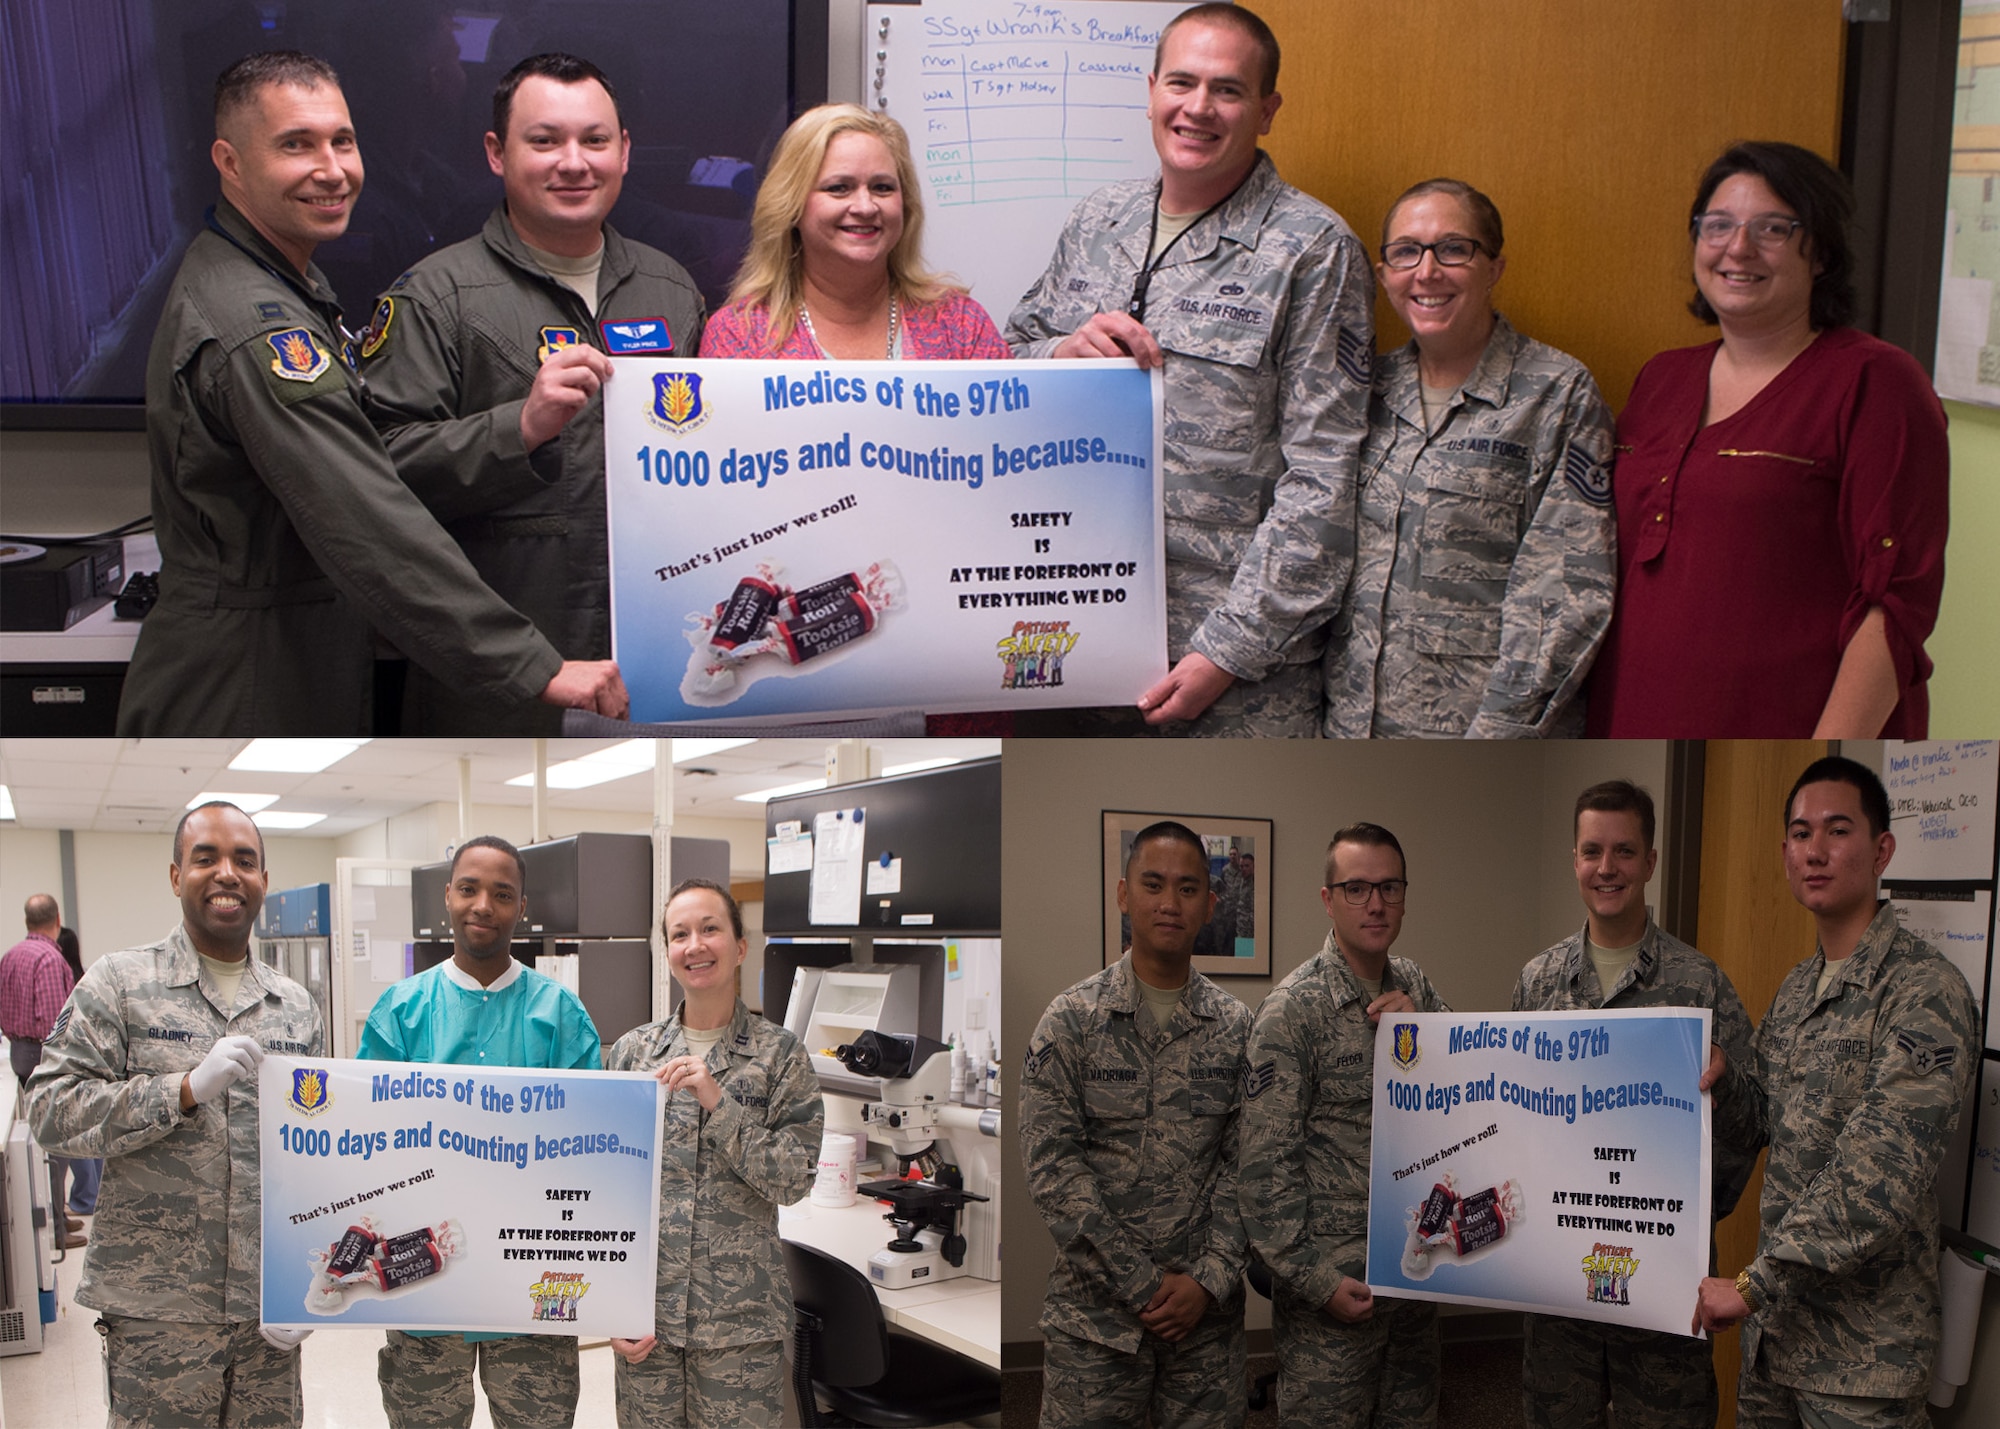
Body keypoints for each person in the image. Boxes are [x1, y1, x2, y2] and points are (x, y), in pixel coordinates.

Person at [116, 50, 628, 736]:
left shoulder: (281, 283)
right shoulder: (254, 325)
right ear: (231, 163)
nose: (331, 170)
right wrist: (535, 665)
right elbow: (364, 515)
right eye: (296, 145)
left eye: (343, 141)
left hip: (296, 654)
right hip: (242, 679)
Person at [1006, 4, 1373, 737]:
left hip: (1229, 679)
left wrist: (1227, 651)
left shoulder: (1313, 249)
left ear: (1267, 111)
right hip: (1072, 638)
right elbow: (1010, 360)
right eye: (1182, 82)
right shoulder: (1097, 219)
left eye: (1228, 90)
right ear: (1150, 91)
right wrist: (1059, 353)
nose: (1198, 107)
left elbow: (1324, 479)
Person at [361, 53, 706, 734]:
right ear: (497, 153)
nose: (573, 162)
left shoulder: (672, 289)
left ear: (625, 151)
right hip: (497, 674)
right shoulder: (436, 296)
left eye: (595, 140)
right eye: (544, 140)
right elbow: (377, 478)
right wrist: (518, 428)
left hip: (649, 663)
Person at [1587, 142, 1950, 738]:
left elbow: (1895, 604)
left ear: (1823, 252)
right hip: (1629, 721)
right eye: (1718, 225)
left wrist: (1822, 760)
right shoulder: (1661, 377)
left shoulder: (1877, 383)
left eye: (1773, 228)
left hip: (1788, 736)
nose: (1738, 248)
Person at [1694, 757, 1979, 1427]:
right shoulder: (1799, 988)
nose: (1814, 850)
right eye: (1799, 833)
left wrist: (1752, 1283)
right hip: (1779, 1342)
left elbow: (1880, 1173)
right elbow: (1761, 1120)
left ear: (1882, 848)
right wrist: (1723, 1075)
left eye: (1836, 830)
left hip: (1861, 1362)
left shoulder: (1924, 991)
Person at [25, 802, 324, 1428]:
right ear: (174, 876)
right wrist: (182, 1089)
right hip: (159, 1311)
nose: (227, 874)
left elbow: (316, 1156)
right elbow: (50, 1109)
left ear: (264, 881)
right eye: (205, 858)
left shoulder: (295, 1006)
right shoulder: (119, 984)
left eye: (245, 861)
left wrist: (310, 1277)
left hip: (266, 1312)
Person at [1322, 179, 1615, 738]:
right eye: (1405, 251)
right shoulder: (1364, 394)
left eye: (1453, 249)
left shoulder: (1556, 394)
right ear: (1384, 275)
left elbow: (1566, 594)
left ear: (1494, 267)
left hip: (1478, 734)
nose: (1427, 271)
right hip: (1350, 727)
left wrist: (1499, 733)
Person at [1514, 781, 1760, 1429]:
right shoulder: (1538, 982)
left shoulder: (1698, 982)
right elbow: (1515, 1123)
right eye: (1592, 850)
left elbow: (1751, 1124)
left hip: (1659, 1280)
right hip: (1560, 1284)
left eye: (1624, 850)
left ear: (1651, 860)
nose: (1607, 867)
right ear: (1574, 859)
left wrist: (1694, 1207)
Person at [360, 835, 602, 1428]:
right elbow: (365, 1146)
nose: (483, 906)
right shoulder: (401, 1012)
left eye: (502, 894)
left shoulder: (561, 1015)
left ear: (522, 907)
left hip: (535, 1287)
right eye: (468, 888)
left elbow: (591, 1153)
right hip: (423, 1286)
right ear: (447, 896)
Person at [1021, 821, 1251, 1427]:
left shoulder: (1237, 1027)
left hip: (1206, 1327)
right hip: (1097, 1324)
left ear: (1209, 903)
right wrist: (1142, 1282)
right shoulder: (1071, 1021)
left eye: (1186, 888)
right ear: (1124, 894)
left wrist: (1208, 1279)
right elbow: (1053, 1168)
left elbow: (1251, 1163)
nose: (1169, 904)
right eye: (1153, 885)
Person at [1239, 823, 1449, 1427]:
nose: (1376, 903)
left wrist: (1427, 1035)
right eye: (1356, 888)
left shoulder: (1418, 990)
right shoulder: (1292, 1010)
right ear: (1328, 899)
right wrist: (1317, 1282)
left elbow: (1470, 1095)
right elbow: (1262, 1173)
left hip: (1414, 1270)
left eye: (1389, 887)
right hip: (1333, 1291)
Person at [603, 880, 821, 1427]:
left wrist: (718, 1104)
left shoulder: (780, 1057)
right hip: (646, 1321)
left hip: (739, 1330)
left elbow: (794, 1179)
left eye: (710, 929)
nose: (694, 945)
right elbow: (603, 1192)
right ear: (668, 953)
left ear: (740, 946)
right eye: (680, 934)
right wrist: (608, 1303)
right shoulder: (633, 1053)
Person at [698, 103, 1008, 361]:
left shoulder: (960, 325)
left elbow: (1011, 431)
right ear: (791, 206)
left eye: (882, 188)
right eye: (839, 188)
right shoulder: (739, 336)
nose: (865, 206)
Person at [2, 895, 84, 1246]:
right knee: (58, 1140)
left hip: (18, 1053)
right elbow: (56, 1027)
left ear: (26, 920)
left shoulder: (10, 957)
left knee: (40, 1139)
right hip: (43, 1055)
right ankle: (57, 1228)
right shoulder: (51, 959)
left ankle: (57, 1215)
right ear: (57, 919)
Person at [54, 926, 104, 1217]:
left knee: (74, 1132)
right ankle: (89, 1195)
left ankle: (85, 1198)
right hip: (92, 1060)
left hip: (74, 1061)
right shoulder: (84, 976)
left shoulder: (63, 978)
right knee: (90, 1131)